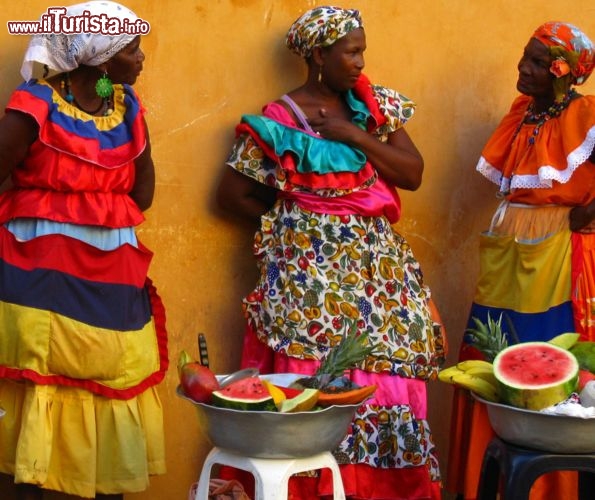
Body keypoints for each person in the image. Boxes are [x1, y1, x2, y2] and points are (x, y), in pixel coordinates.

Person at [216, 6, 446, 499]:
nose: (361, 61)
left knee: (384, 373)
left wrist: (356, 136)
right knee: (315, 375)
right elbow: (231, 195)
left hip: (381, 273)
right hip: (310, 282)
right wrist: (299, 226)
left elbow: (412, 173)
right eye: (351, 51)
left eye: (362, 49)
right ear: (319, 55)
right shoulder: (279, 119)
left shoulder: (373, 105)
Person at [0, 2, 168, 499]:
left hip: (109, 272)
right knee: (43, 376)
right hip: (40, 274)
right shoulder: (34, 104)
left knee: (107, 379)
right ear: (100, 58)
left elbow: (143, 195)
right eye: (131, 50)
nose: (140, 59)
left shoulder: (126, 107)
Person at [446, 21, 595, 500]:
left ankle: (551, 492)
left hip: (555, 252)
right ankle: (481, 485)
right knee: (491, 360)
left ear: (563, 72)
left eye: (536, 61)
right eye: (523, 57)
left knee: (547, 358)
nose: (522, 68)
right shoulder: (522, 113)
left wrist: (587, 213)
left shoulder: (586, 114)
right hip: (507, 249)